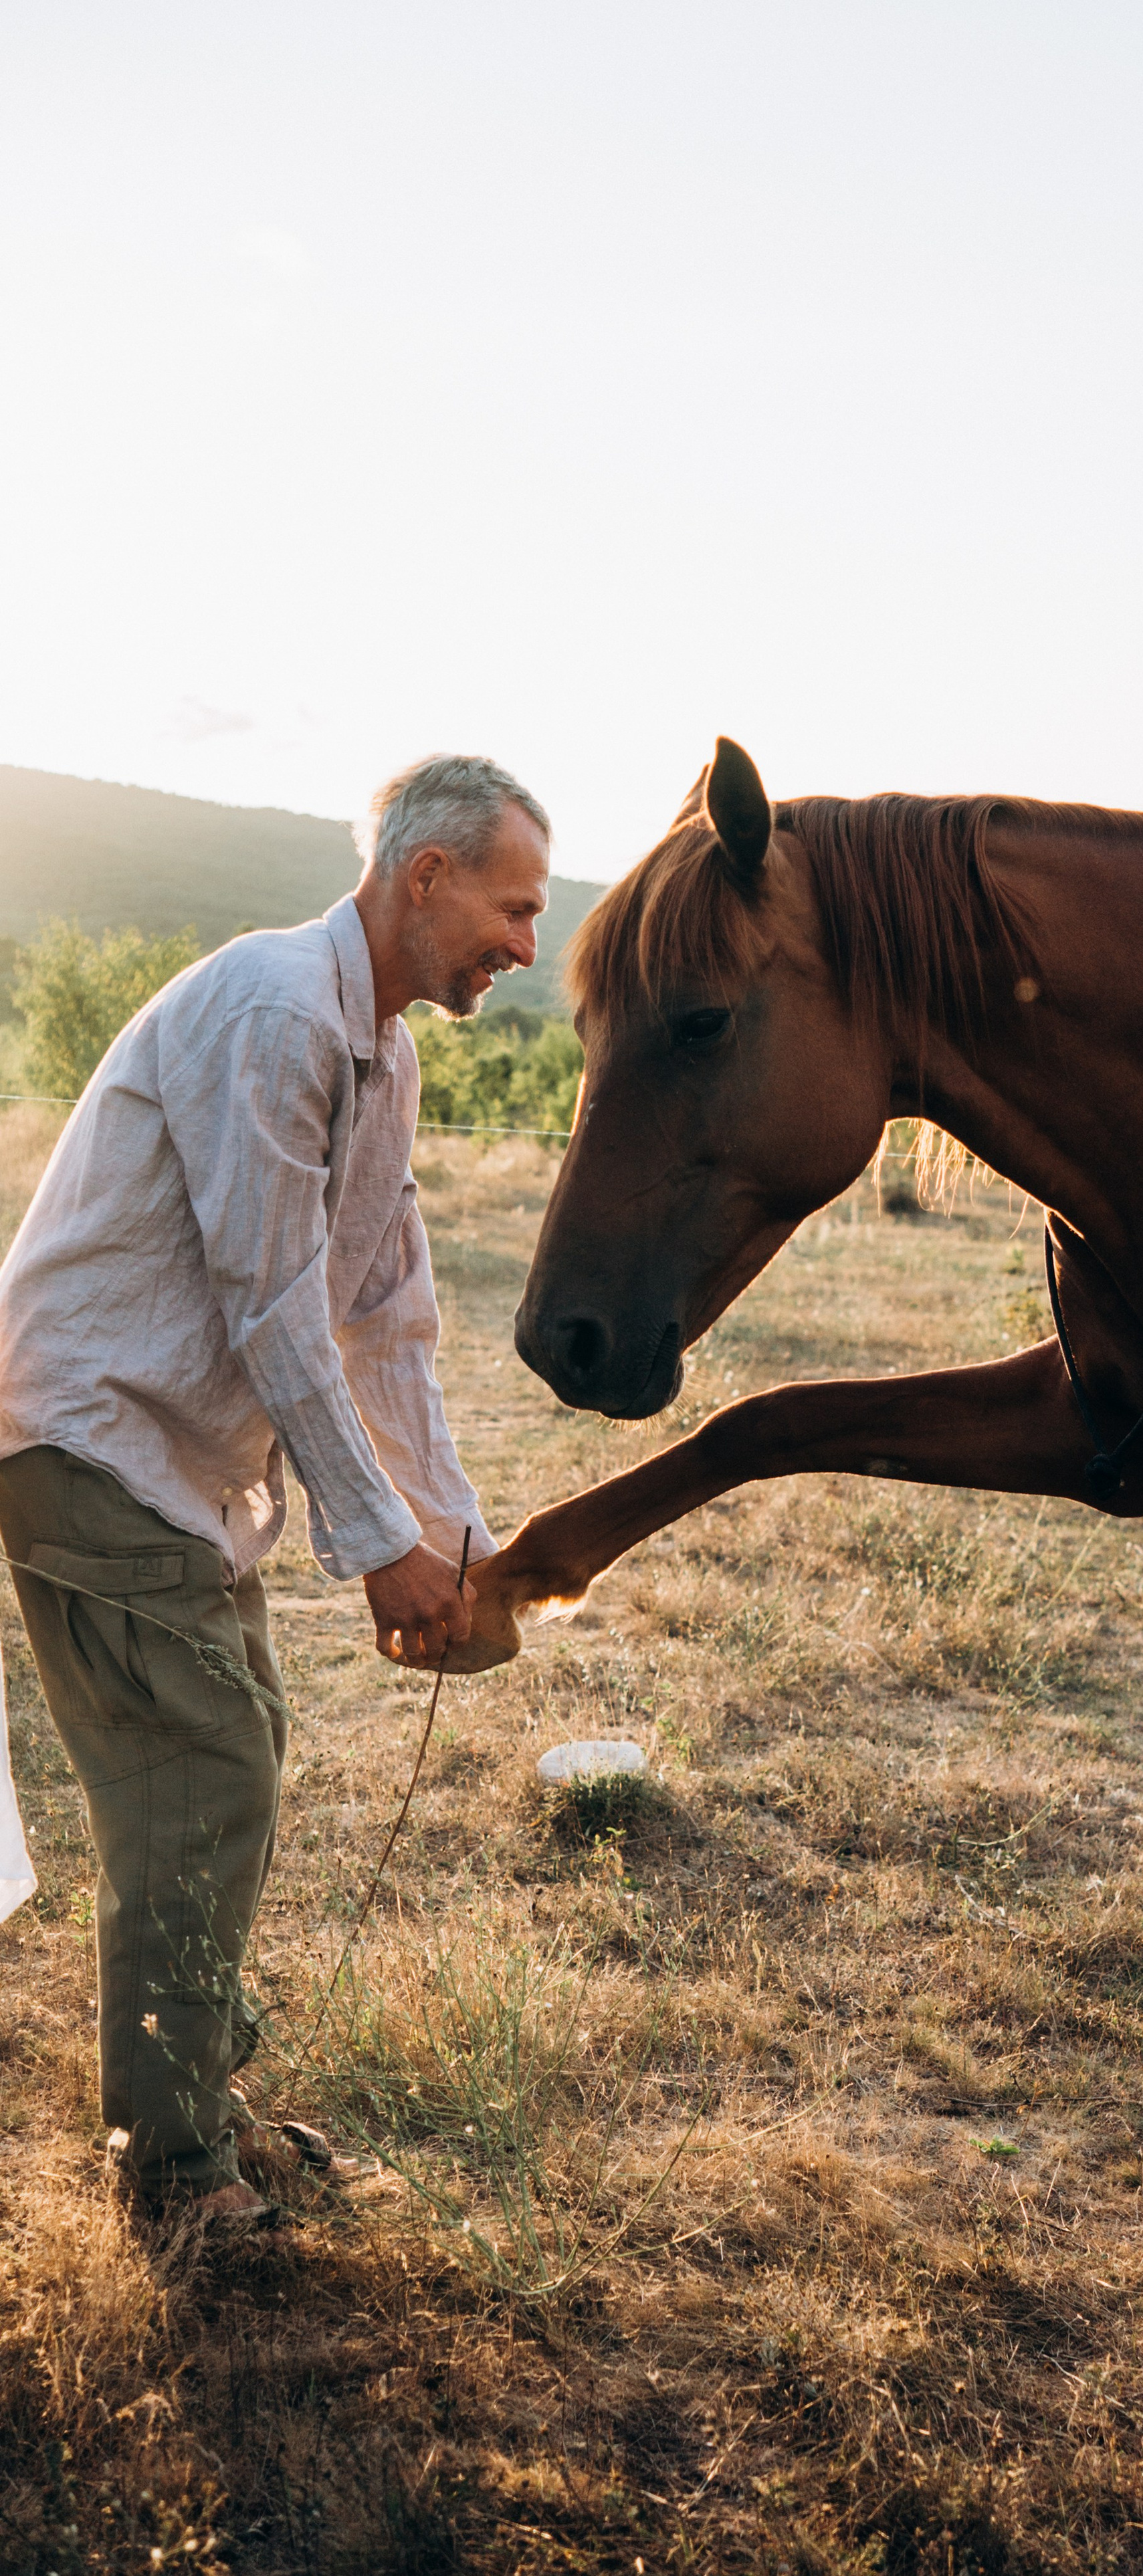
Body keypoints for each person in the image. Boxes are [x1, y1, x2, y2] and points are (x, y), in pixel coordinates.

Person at [0, 753, 552, 2220]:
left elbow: (388, 1321)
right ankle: (171, 2173)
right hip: (91, 1436)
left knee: (226, 1766)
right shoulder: (271, 1010)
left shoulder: (386, 1055)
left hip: (175, 1462)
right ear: (422, 876)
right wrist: (381, 1552)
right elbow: (272, 1301)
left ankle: (196, 2111)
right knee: (207, 1773)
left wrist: (455, 1541)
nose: (526, 948)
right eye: (512, 907)